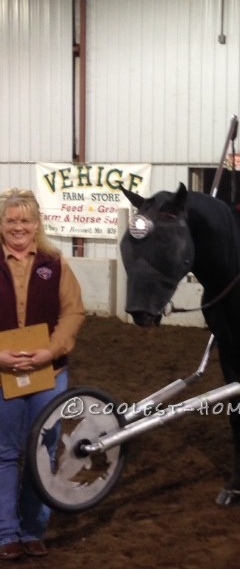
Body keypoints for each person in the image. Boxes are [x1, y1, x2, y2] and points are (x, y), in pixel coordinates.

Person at [0, 188, 85, 561]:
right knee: (3, 453)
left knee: (43, 451)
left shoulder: (56, 262)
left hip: (48, 373)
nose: (18, 226)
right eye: (11, 220)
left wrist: (50, 350)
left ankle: (34, 529)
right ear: (1, 225)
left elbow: (73, 313)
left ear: (37, 224)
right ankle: (6, 533)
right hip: (1, 372)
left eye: (25, 220)